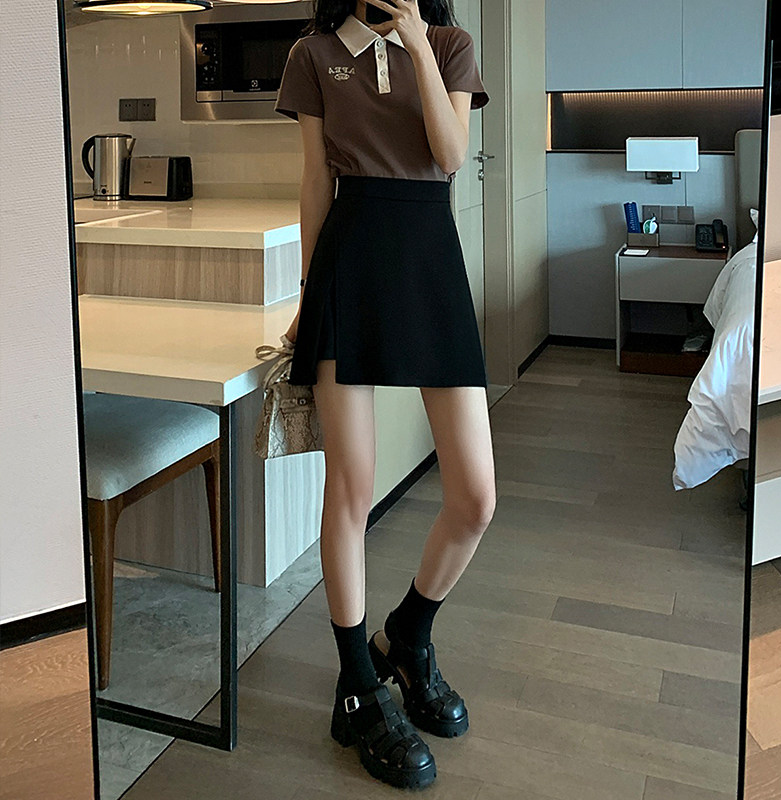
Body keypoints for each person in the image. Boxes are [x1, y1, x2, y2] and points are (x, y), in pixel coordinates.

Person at [275, 0, 496, 789]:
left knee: (475, 497)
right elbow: (315, 180)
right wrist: (308, 293)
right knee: (352, 488)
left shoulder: (451, 44)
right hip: (350, 261)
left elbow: (450, 153)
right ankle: (357, 686)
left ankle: (408, 636)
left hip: (431, 263)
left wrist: (417, 46)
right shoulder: (313, 53)